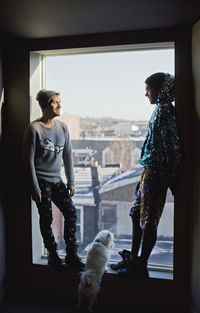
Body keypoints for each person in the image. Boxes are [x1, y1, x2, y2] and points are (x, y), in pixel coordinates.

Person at [110, 72, 183, 279]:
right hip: (149, 172)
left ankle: (141, 265)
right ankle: (133, 257)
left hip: (158, 173)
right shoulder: (159, 111)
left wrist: (172, 177)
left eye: (148, 90)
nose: (145, 94)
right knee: (135, 214)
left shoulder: (166, 112)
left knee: (149, 221)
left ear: (159, 90)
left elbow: (173, 147)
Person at [23, 89, 84, 270]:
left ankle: (72, 255)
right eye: (55, 102)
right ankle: (53, 255)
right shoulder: (34, 129)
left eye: (60, 101)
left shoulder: (63, 128)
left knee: (71, 212)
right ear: (46, 104)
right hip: (41, 181)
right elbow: (28, 162)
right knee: (47, 217)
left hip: (56, 180)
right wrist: (35, 189)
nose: (59, 105)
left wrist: (71, 182)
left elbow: (67, 157)